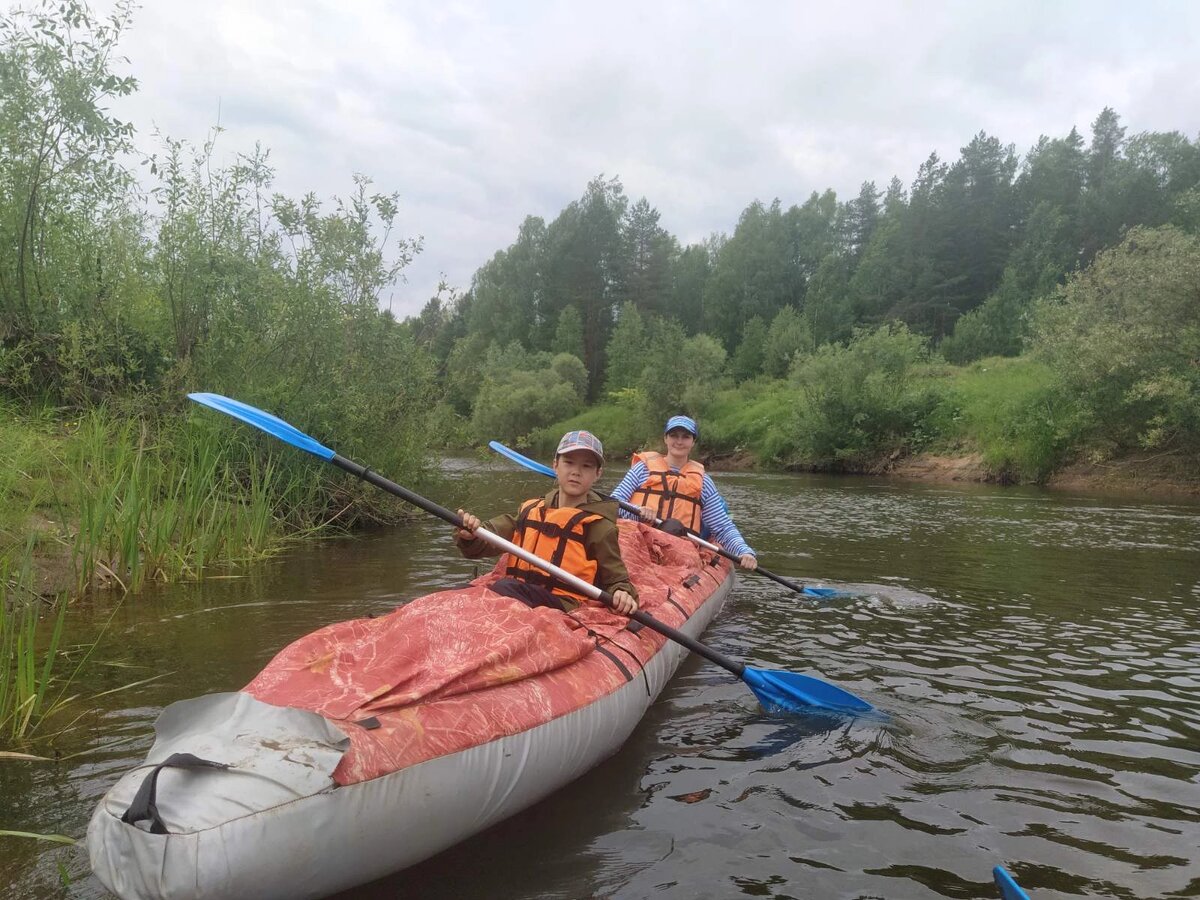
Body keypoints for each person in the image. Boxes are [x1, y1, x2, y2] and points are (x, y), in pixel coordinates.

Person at [455, 430, 639, 615]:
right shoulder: (531, 510)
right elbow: (490, 537)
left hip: (561, 603)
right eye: (568, 463)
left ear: (597, 474)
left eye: (586, 466)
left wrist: (621, 592)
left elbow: (616, 579)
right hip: (521, 591)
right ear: (555, 465)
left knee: (505, 587)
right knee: (462, 591)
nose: (576, 471)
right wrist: (471, 535)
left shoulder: (599, 526)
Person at [611, 415, 758, 570]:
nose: (679, 441)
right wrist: (637, 511)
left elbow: (722, 526)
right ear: (665, 439)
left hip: (679, 547)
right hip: (637, 538)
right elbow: (613, 503)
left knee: (681, 557)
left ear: (693, 442)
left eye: (686, 437)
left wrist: (744, 551)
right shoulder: (642, 469)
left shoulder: (703, 482)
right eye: (674, 435)